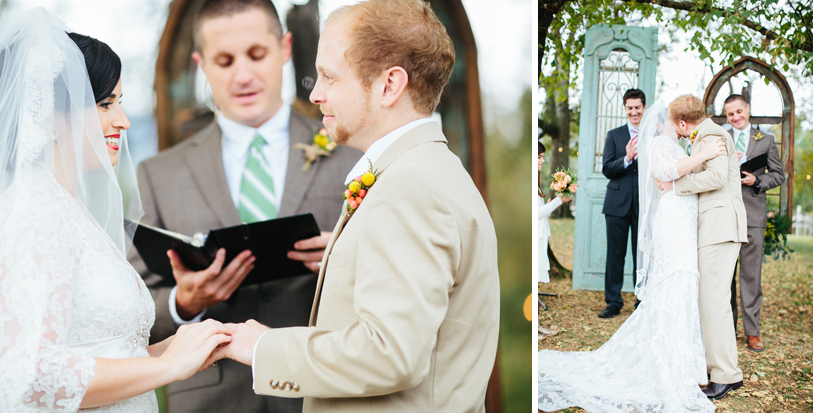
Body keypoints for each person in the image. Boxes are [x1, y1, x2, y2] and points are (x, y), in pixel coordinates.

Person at [0, 9, 232, 412]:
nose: (123, 121)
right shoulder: (31, 214)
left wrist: (181, 350)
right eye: (106, 104)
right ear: (53, 116)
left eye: (120, 103)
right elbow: (33, 375)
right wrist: (170, 368)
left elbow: (109, 354)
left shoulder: (69, 210)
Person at [212, 1, 499, 411]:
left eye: (329, 76)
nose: (315, 94)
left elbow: (390, 354)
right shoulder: (424, 172)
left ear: (389, 85)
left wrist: (263, 346)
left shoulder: (411, 187)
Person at [126, 0, 359, 411]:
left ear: (285, 48)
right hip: (210, 399)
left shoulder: (350, 154)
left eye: (256, 55)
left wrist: (347, 260)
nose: (243, 75)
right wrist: (184, 302)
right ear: (201, 63)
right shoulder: (158, 175)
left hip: (323, 393)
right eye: (224, 60)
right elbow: (130, 314)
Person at [538, 102, 726, 412]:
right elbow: (665, 171)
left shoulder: (677, 144)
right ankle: (669, 360)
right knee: (677, 278)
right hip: (673, 220)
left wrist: (692, 165)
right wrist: (704, 156)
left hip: (684, 216)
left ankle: (680, 358)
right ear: (677, 122)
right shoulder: (661, 143)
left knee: (682, 282)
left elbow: (677, 177)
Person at [662, 94, 748, 400]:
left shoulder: (710, 135)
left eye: (677, 126)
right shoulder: (708, 134)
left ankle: (725, 374)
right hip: (716, 226)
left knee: (714, 301)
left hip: (719, 226)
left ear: (684, 123)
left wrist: (676, 186)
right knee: (713, 300)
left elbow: (714, 177)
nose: (679, 131)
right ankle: (726, 371)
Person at [723, 94, 785, 352]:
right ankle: (726, 328)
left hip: (753, 216)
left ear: (748, 109)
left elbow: (779, 175)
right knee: (725, 276)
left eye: (739, 111)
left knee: (751, 276)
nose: (735, 117)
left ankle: (752, 332)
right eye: (730, 114)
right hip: (724, 215)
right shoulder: (721, 138)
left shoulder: (766, 140)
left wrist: (757, 181)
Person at [599, 88, 645, 318]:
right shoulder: (614, 135)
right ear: (625, 109)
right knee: (615, 255)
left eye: (637, 107)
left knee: (642, 255)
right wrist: (626, 158)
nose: (634, 112)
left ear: (644, 108)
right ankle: (613, 302)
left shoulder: (653, 135)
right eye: (630, 108)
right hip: (616, 204)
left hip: (643, 205)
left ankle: (641, 301)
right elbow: (607, 169)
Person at [536, 141, 569, 339]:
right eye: (539, 157)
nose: (542, 160)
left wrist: (547, 203)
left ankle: (538, 325)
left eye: (542, 157)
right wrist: (558, 201)